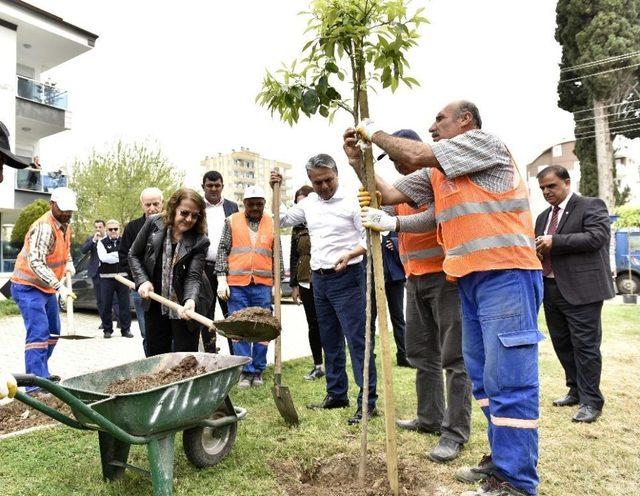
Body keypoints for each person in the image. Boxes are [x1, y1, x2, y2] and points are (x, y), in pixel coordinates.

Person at [344, 101, 543, 496]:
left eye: (439, 119)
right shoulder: (437, 173)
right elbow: (386, 192)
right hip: (468, 280)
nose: (431, 126)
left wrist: (376, 133)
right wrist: (356, 160)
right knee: (484, 379)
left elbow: (415, 152)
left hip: (507, 273)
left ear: (466, 120)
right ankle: (501, 459)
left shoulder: (485, 144)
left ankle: (517, 481)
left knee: (510, 380)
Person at [270, 154, 376, 426]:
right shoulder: (309, 204)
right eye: (318, 182)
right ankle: (337, 394)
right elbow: (279, 219)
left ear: (337, 175)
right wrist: (276, 189)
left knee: (357, 341)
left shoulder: (354, 200)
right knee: (329, 339)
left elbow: (370, 236)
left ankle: (367, 403)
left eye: (328, 180)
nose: (324, 186)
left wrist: (351, 254)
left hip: (348, 275)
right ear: (310, 182)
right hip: (320, 280)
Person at [535, 165, 614, 423]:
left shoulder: (591, 205)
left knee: (586, 346)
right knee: (562, 343)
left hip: (583, 290)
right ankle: (576, 390)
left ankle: (592, 401)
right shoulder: (543, 217)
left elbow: (596, 238)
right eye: (543, 188)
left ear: (566, 183)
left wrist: (554, 242)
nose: (547, 192)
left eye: (551, 186)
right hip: (551, 288)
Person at [129, 188, 213, 356]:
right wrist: (143, 280)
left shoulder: (200, 240)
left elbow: (193, 276)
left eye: (195, 215)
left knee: (184, 358)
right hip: (155, 302)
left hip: (183, 305)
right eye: (184, 213)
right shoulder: (153, 223)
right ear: (173, 208)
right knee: (157, 355)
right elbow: (134, 254)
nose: (189, 219)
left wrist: (190, 300)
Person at [215, 185, 282, 388]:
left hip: (262, 284)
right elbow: (222, 249)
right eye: (251, 204)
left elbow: (277, 254)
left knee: (263, 328)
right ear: (244, 204)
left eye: (259, 204)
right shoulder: (232, 221)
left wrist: (277, 284)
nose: (255, 207)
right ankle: (245, 370)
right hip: (237, 284)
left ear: (264, 204)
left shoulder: (272, 222)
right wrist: (221, 279)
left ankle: (258, 369)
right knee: (239, 328)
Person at [10, 187, 77, 388]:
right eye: (62, 209)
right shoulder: (44, 227)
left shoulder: (65, 225)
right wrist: (60, 287)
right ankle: (33, 385)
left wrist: (69, 262)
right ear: (52, 205)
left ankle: (41, 374)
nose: (66, 213)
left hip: (45, 288)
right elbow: (37, 262)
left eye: (69, 210)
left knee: (53, 332)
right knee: (39, 332)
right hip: (27, 286)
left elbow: (63, 250)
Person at [119, 187, 164, 355]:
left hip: (166, 289)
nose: (152, 208)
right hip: (141, 291)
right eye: (148, 205)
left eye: (155, 204)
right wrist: (140, 281)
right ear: (142, 205)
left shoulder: (170, 225)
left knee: (168, 332)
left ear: (162, 203)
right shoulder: (132, 228)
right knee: (147, 332)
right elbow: (125, 257)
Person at [290, 185, 325, 381]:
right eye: (298, 203)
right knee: (313, 324)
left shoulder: (322, 220)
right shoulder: (297, 228)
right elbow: (294, 257)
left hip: (325, 277)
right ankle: (318, 365)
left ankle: (334, 364)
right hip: (305, 281)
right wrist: (294, 285)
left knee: (328, 323)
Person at [201, 170, 239, 353]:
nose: (214, 189)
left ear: (222, 186)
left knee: (231, 315)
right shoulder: (197, 207)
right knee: (206, 315)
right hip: (203, 269)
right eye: (210, 185)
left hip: (228, 270)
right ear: (203, 187)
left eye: (217, 185)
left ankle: (235, 356)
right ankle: (210, 355)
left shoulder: (233, 207)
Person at [370, 231, 410, 367]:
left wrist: (395, 243)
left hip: (395, 278)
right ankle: (369, 355)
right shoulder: (367, 227)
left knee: (398, 317)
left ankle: (403, 355)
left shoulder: (393, 225)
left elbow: (407, 241)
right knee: (370, 318)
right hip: (373, 278)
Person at [97, 220, 133, 339]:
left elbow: (128, 256)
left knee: (125, 305)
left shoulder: (125, 241)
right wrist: (119, 255)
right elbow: (103, 258)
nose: (113, 231)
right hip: (106, 278)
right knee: (106, 305)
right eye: (110, 229)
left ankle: (125, 329)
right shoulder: (101, 242)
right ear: (106, 230)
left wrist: (113, 256)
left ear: (119, 229)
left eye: (115, 229)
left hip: (123, 277)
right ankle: (107, 330)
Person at [81, 220, 110, 329]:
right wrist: (93, 240)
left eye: (100, 227)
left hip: (108, 271)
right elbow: (83, 250)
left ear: (104, 227)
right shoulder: (91, 239)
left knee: (112, 298)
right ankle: (104, 321)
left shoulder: (109, 238)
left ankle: (120, 321)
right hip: (96, 273)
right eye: (96, 227)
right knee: (100, 299)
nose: (98, 229)